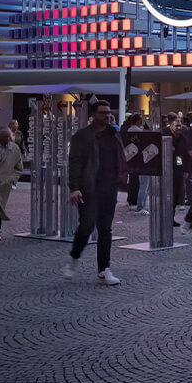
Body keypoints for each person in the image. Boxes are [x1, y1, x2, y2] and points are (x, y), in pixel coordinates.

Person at [63, 101, 127, 285]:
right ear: (93, 114)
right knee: (87, 226)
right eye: (102, 113)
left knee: (105, 229)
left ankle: (104, 268)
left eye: (108, 112)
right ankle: (74, 258)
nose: (106, 116)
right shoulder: (82, 136)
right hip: (88, 188)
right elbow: (74, 161)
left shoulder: (114, 134)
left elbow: (121, 156)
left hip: (109, 187)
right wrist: (74, 187)